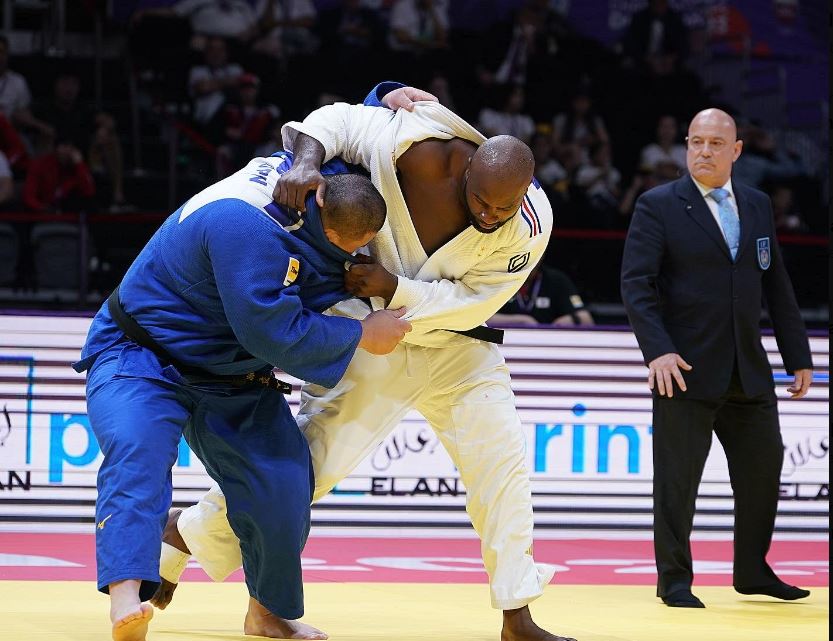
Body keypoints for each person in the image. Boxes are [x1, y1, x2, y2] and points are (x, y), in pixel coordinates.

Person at [156, 83, 578, 641]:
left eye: (503, 207)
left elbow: (478, 300)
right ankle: (182, 537)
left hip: (459, 347)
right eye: (481, 200)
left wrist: (397, 287)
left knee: (502, 468)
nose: (489, 215)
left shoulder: (532, 222)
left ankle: (518, 615)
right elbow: (332, 119)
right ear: (466, 169)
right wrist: (307, 163)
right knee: (308, 469)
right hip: (371, 337)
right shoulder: (413, 144)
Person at [73, 152, 410, 641]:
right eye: (349, 247)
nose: (356, 256)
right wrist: (361, 333)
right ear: (321, 212)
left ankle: (268, 612)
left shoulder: (321, 176)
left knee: (285, 481)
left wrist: (389, 93)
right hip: (142, 354)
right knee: (138, 453)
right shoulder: (248, 229)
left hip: (233, 376)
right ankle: (127, 595)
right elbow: (271, 334)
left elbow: (344, 121)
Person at [620, 108, 813, 609]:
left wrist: (798, 355)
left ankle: (751, 570)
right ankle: (675, 580)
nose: (703, 151)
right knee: (677, 482)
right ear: (686, 146)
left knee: (764, 470)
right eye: (696, 142)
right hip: (683, 369)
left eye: (714, 143)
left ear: (736, 150)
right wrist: (657, 350)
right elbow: (636, 285)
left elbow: (776, 284)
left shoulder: (758, 204)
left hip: (749, 368)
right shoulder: (657, 205)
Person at [490, 263, 593, 327]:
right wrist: (522, 321)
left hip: (548, 343)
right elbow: (479, 319)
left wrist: (572, 320)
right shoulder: (496, 278)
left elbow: (586, 319)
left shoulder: (556, 280)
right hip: (505, 342)